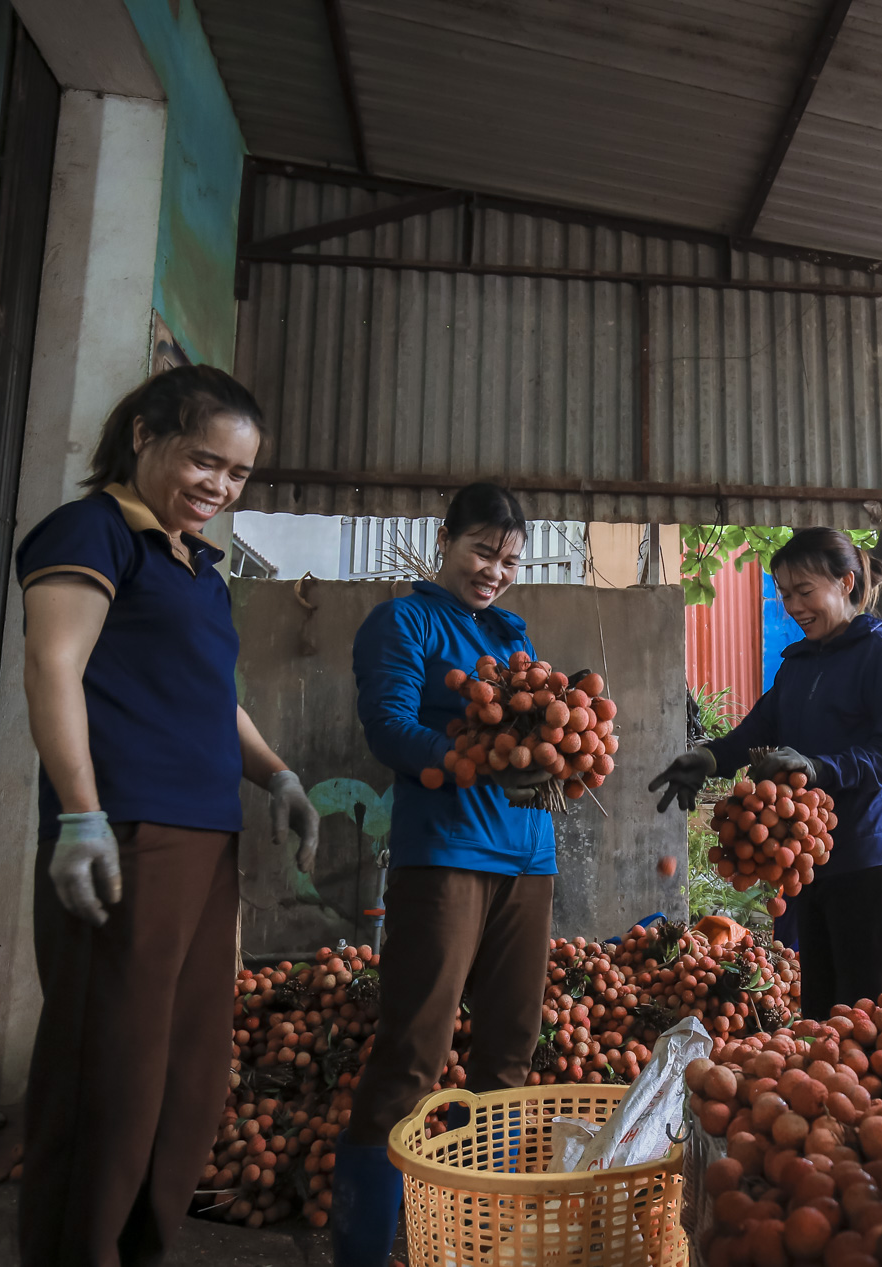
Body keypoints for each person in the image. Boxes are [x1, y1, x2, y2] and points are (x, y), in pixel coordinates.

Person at [15, 365, 321, 1265]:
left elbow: (210, 700)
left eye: (236, 475)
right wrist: (80, 816)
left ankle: (140, 1249)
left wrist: (279, 776)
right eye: (203, 460)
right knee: (106, 1072)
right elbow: (53, 667)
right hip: (127, 837)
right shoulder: (92, 532)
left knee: (187, 1078)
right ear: (144, 434)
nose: (218, 487)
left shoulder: (195, 566)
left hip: (205, 838)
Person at [334, 483, 557, 1267]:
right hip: (448, 857)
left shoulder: (511, 635)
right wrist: (475, 763)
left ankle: (474, 1245)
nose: (495, 570)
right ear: (446, 539)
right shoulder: (405, 620)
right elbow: (389, 727)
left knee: (508, 1059)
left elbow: (538, 732)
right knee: (413, 1055)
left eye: (510, 560)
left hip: (529, 860)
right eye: (483, 551)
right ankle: (363, 1252)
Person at [650, 529, 882, 1019]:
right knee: (819, 1016)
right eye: (785, 594)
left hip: (867, 861)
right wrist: (706, 759)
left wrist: (819, 768)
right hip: (808, 866)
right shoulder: (797, 665)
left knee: (869, 1021)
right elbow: (756, 729)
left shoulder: (879, 650)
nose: (793, 605)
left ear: (845, 582)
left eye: (804, 591)